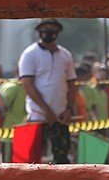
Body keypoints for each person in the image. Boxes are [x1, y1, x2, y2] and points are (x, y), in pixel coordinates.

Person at [18, 18, 77, 164]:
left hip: (61, 117)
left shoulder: (65, 55)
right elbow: (28, 84)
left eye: (53, 29)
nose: (49, 32)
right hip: (38, 116)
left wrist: (69, 108)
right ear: (39, 31)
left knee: (62, 160)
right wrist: (46, 110)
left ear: (58, 31)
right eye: (46, 29)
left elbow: (72, 84)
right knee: (32, 160)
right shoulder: (29, 54)